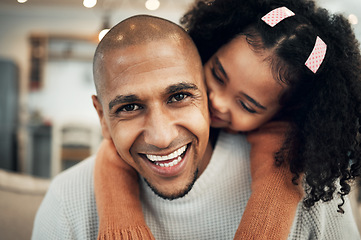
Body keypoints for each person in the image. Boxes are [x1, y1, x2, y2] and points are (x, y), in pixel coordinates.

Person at [32, 11, 360, 240]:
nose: (218, 101)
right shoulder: (68, 198)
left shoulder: (307, 180)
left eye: (178, 96)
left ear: (282, 114)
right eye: (129, 107)